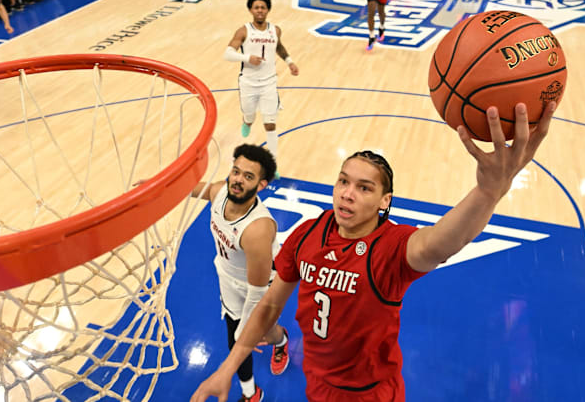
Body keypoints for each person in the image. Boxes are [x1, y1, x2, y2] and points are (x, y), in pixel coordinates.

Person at [190, 102, 556, 402]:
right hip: (317, 382)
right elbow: (269, 306)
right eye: (343, 181)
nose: (347, 193)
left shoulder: (391, 249)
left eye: (364, 188)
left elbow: (441, 242)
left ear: (385, 201)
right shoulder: (307, 233)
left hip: (370, 394)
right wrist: (227, 368)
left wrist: (488, 193)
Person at [191, 144, 290, 402]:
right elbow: (195, 189)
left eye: (248, 177)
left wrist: (245, 331)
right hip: (227, 277)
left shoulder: (257, 229)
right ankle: (251, 393)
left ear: (261, 185)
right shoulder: (220, 192)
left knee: (244, 339)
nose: (237, 180)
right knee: (239, 342)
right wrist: (157, 189)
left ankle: (280, 342)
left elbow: (257, 292)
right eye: (236, 171)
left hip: (257, 286)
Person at [223, 0, 299, 171]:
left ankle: (273, 165)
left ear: (267, 10)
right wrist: (247, 58)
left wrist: (290, 61)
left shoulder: (275, 30)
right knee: (249, 114)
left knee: (270, 123)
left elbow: (278, 47)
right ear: (250, 10)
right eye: (256, 7)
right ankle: (247, 122)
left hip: (269, 83)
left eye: (263, 7)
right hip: (248, 82)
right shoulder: (243, 31)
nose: (259, 10)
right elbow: (227, 54)